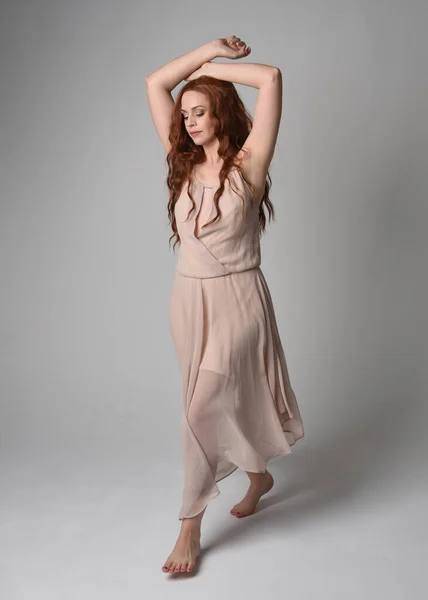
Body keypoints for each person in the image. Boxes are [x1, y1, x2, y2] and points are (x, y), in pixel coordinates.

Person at [145, 35, 304, 575]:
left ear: (222, 112)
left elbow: (272, 78)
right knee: (200, 400)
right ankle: (258, 475)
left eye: (200, 110)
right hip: (188, 299)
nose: (188, 120)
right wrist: (203, 49)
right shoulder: (180, 161)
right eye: (184, 112)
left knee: (201, 407)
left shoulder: (249, 163)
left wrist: (215, 67)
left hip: (238, 298)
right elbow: (154, 84)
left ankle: (188, 527)